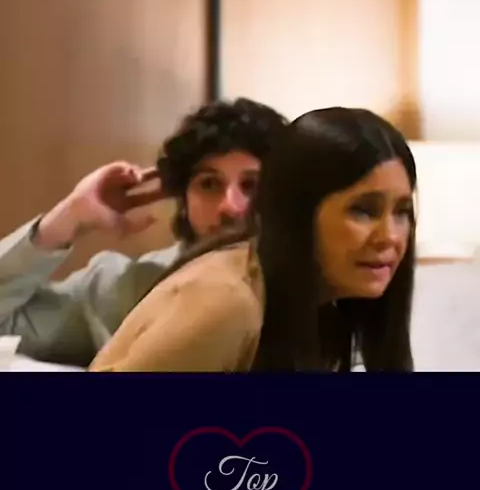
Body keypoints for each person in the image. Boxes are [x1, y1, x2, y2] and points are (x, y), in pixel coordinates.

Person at [89, 107, 417, 373]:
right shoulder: (227, 301)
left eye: (402, 212)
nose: (389, 236)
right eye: (363, 210)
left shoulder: (328, 305)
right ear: (296, 211)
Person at [0, 98, 288, 367]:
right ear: (183, 199)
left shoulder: (309, 293)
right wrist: (68, 217)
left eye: (252, 186)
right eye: (209, 184)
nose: (231, 207)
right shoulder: (124, 288)